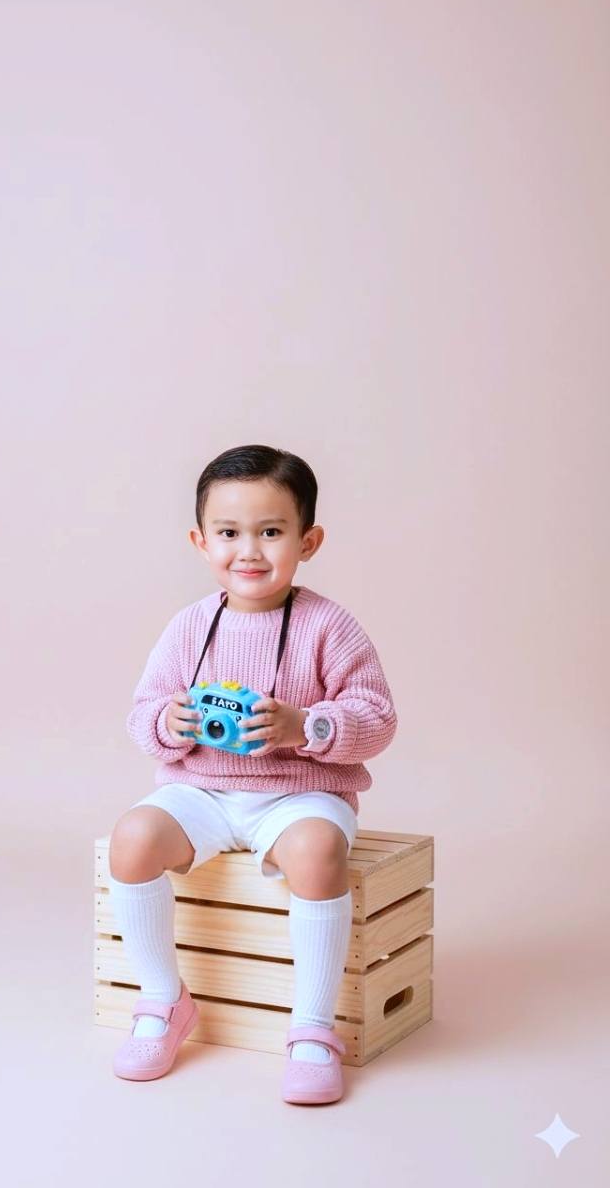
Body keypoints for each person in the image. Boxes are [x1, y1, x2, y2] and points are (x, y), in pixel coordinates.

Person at [108, 443, 398, 1104]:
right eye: (229, 533)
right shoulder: (190, 627)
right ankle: (163, 1000)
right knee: (132, 838)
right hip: (202, 790)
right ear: (200, 541)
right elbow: (141, 714)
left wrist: (308, 727)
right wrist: (169, 721)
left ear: (308, 541)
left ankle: (313, 1027)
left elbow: (377, 718)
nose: (249, 551)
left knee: (318, 850)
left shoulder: (329, 626)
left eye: (271, 532)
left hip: (300, 794)